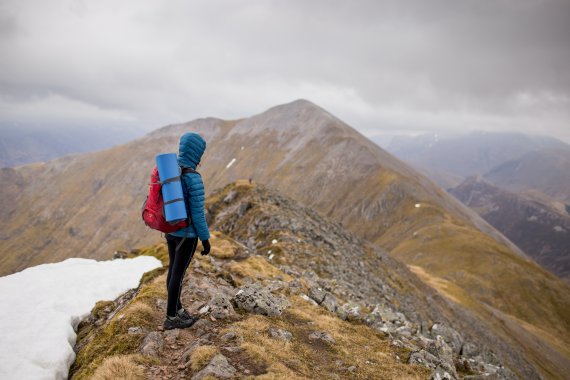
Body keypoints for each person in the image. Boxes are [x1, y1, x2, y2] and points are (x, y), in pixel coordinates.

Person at [163, 132, 211, 330]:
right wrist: (205, 239)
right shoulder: (193, 178)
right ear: (197, 153)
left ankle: (178, 309)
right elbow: (198, 214)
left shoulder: (170, 172)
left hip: (170, 231)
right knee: (178, 275)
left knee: (173, 271)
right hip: (187, 236)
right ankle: (172, 317)